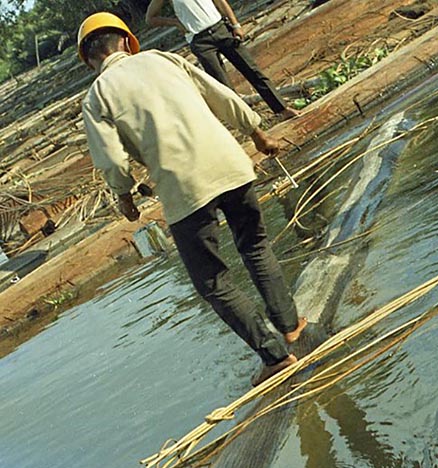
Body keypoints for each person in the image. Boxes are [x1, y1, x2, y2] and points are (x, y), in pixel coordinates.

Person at [78, 12, 307, 385]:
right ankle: (290, 324)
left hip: (184, 189)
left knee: (213, 281)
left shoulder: (98, 96)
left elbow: (112, 158)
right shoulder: (161, 59)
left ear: (90, 60)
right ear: (124, 42)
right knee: (255, 246)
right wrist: (257, 133)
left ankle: (275, 356)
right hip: (230, 164)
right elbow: (219, 95)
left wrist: (124, 196)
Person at [145, 0, 299, 119]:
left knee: (252, 70)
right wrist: (175, 23)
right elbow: (150, 19)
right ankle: (251, 124)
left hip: (221, 29)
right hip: (200, 41)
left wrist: (236, 24)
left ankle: (282, 109)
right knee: (224, 86)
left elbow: (220, 2)